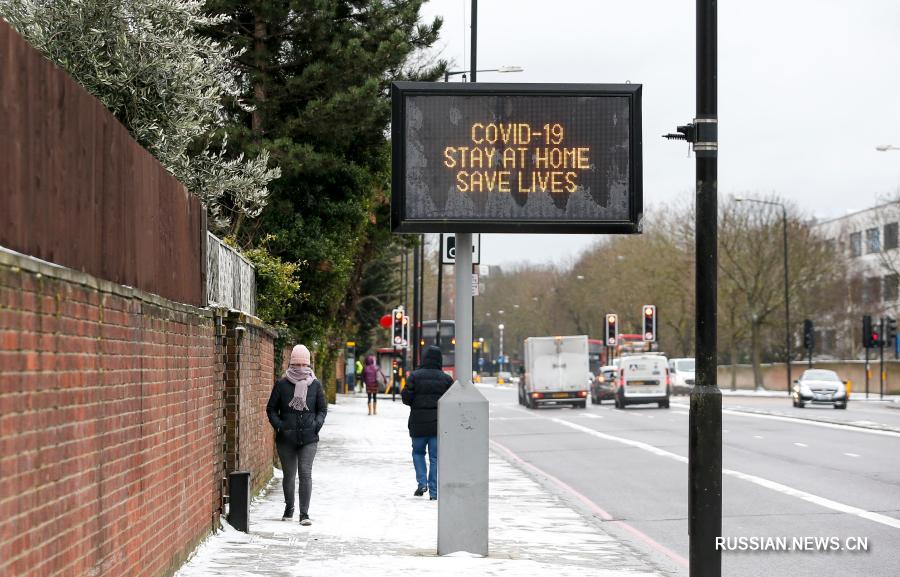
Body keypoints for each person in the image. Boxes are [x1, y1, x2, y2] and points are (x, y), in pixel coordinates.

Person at [266, 344, 327, 526]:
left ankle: (304, 514)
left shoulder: (315, 385)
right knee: (289, 475)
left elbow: (322, 409)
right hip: (286, 439)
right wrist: (280, 426)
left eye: (303, 364)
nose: (300, 368)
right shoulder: (282, 384)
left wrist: (316, 425)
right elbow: (271, 409)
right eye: (297, 364)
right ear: (291, 363)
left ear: (308, 365)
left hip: (309, 438)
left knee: (305, 473)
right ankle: (289, 508)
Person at [401, 346, 453, 500]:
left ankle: (421, 482)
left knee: (417, 453)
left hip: (418, 423)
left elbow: (406, 397)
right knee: (435, 458)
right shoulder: (446, 379)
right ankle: (434, 492)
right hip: (438, 424)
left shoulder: (414, 377)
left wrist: (416, 403)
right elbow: (451, 402)